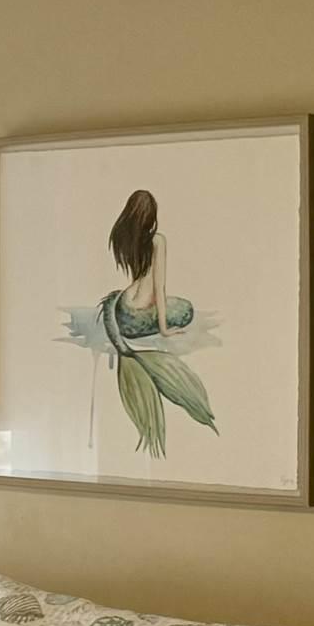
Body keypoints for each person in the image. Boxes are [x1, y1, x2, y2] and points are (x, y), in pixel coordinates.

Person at [96, 190, 215, 456]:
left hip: (123, 307)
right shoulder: (157, 240)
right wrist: (163, 328)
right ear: (151, 216)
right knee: (185, 309)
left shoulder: (125, 238)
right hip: (138, 317)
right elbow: (159, 288)